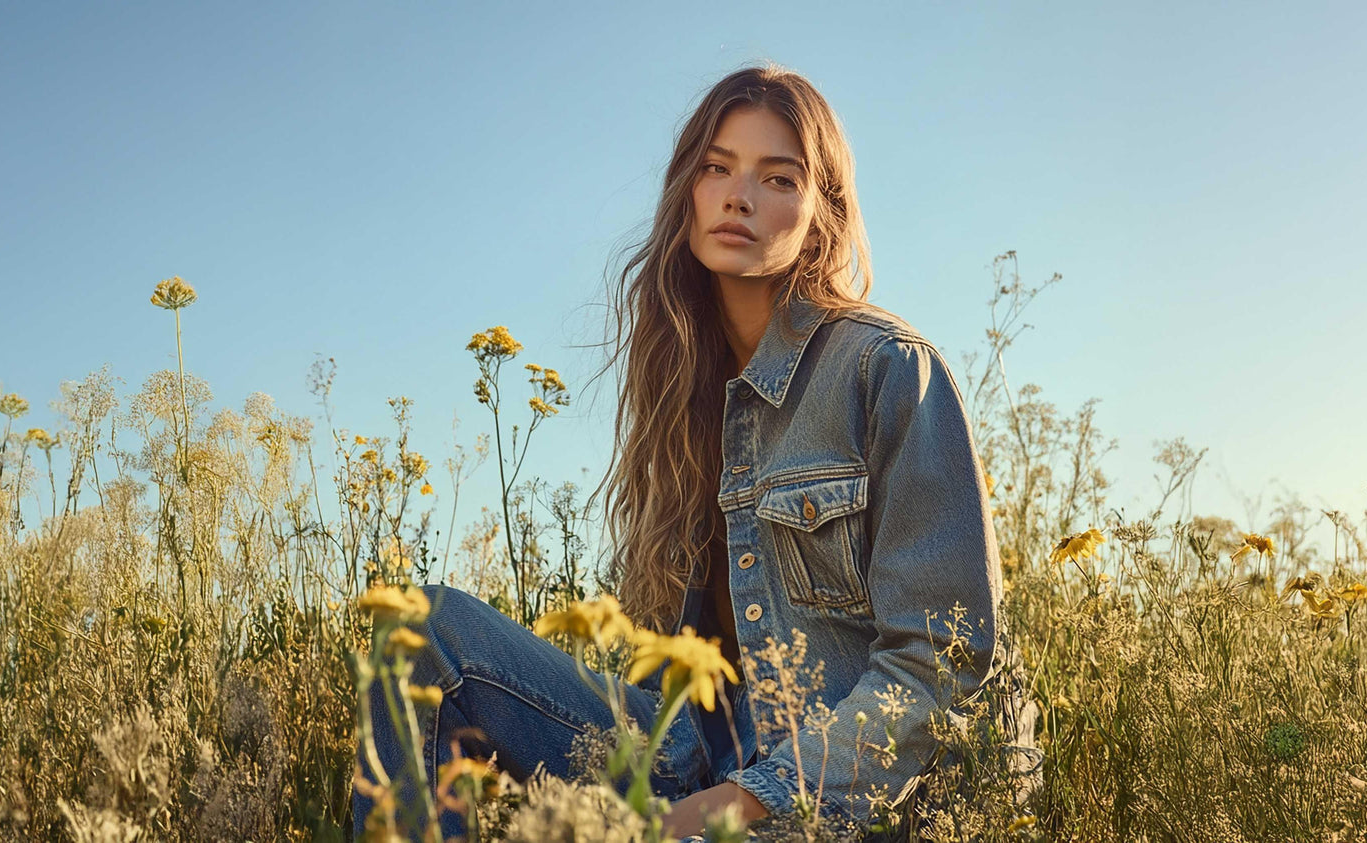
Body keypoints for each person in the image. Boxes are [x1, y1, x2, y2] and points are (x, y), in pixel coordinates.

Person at [352, 62, 1021, 841]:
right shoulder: (680, 393)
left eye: (778, 177)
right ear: (689, 188)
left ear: (821, 213)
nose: (739, 195)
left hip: (821, 792)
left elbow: (939, 661)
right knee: (427, 633)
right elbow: (663, 662)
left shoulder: (887, 369)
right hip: (687, 757)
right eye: (717, 166)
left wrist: (725, 807)